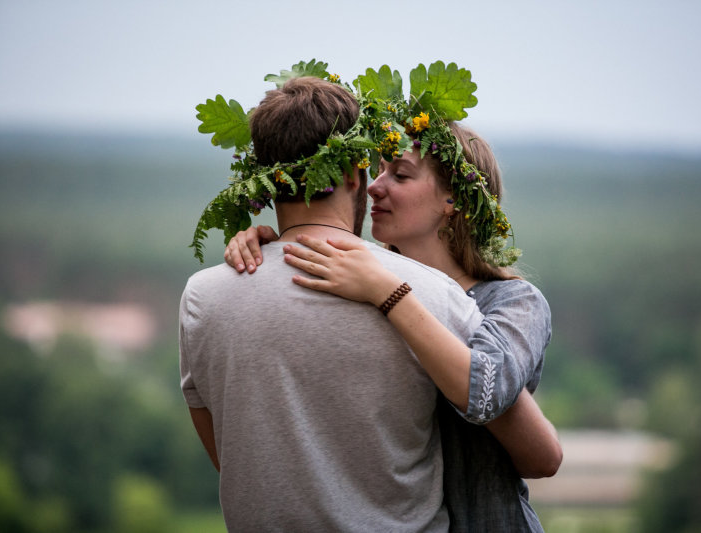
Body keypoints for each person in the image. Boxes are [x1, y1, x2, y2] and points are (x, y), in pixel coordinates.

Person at [181, 74, 494, 531]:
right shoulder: (435, 296)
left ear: (264, 182)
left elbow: (229, 459)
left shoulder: (202, 298)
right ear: (352, 173)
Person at [225, 120, 561, 530]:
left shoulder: (512, 301)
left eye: (399, 174)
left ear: (452, 199)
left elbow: (501, 410)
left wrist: (390, 292)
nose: (374, 187)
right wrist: (273, 249)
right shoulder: (359, 286)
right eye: (378, 170)